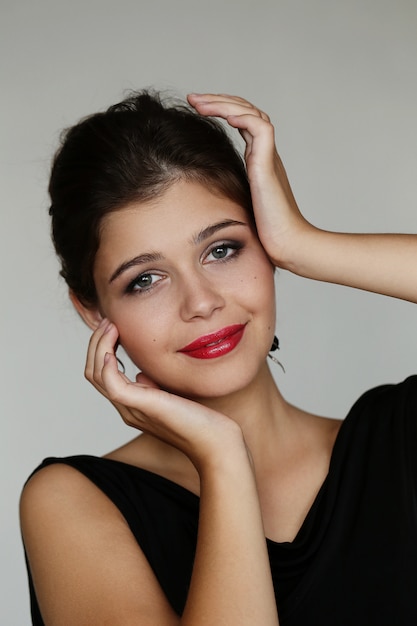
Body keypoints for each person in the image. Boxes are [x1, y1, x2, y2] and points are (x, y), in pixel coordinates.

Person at [20, 91, 417, 626]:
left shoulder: (400, 440)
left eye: (223, 249)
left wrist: (305, 243)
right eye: (145, 280)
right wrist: (222, 457)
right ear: (94, 311)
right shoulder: (72, 505)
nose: (202, 302)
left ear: (266, 245)